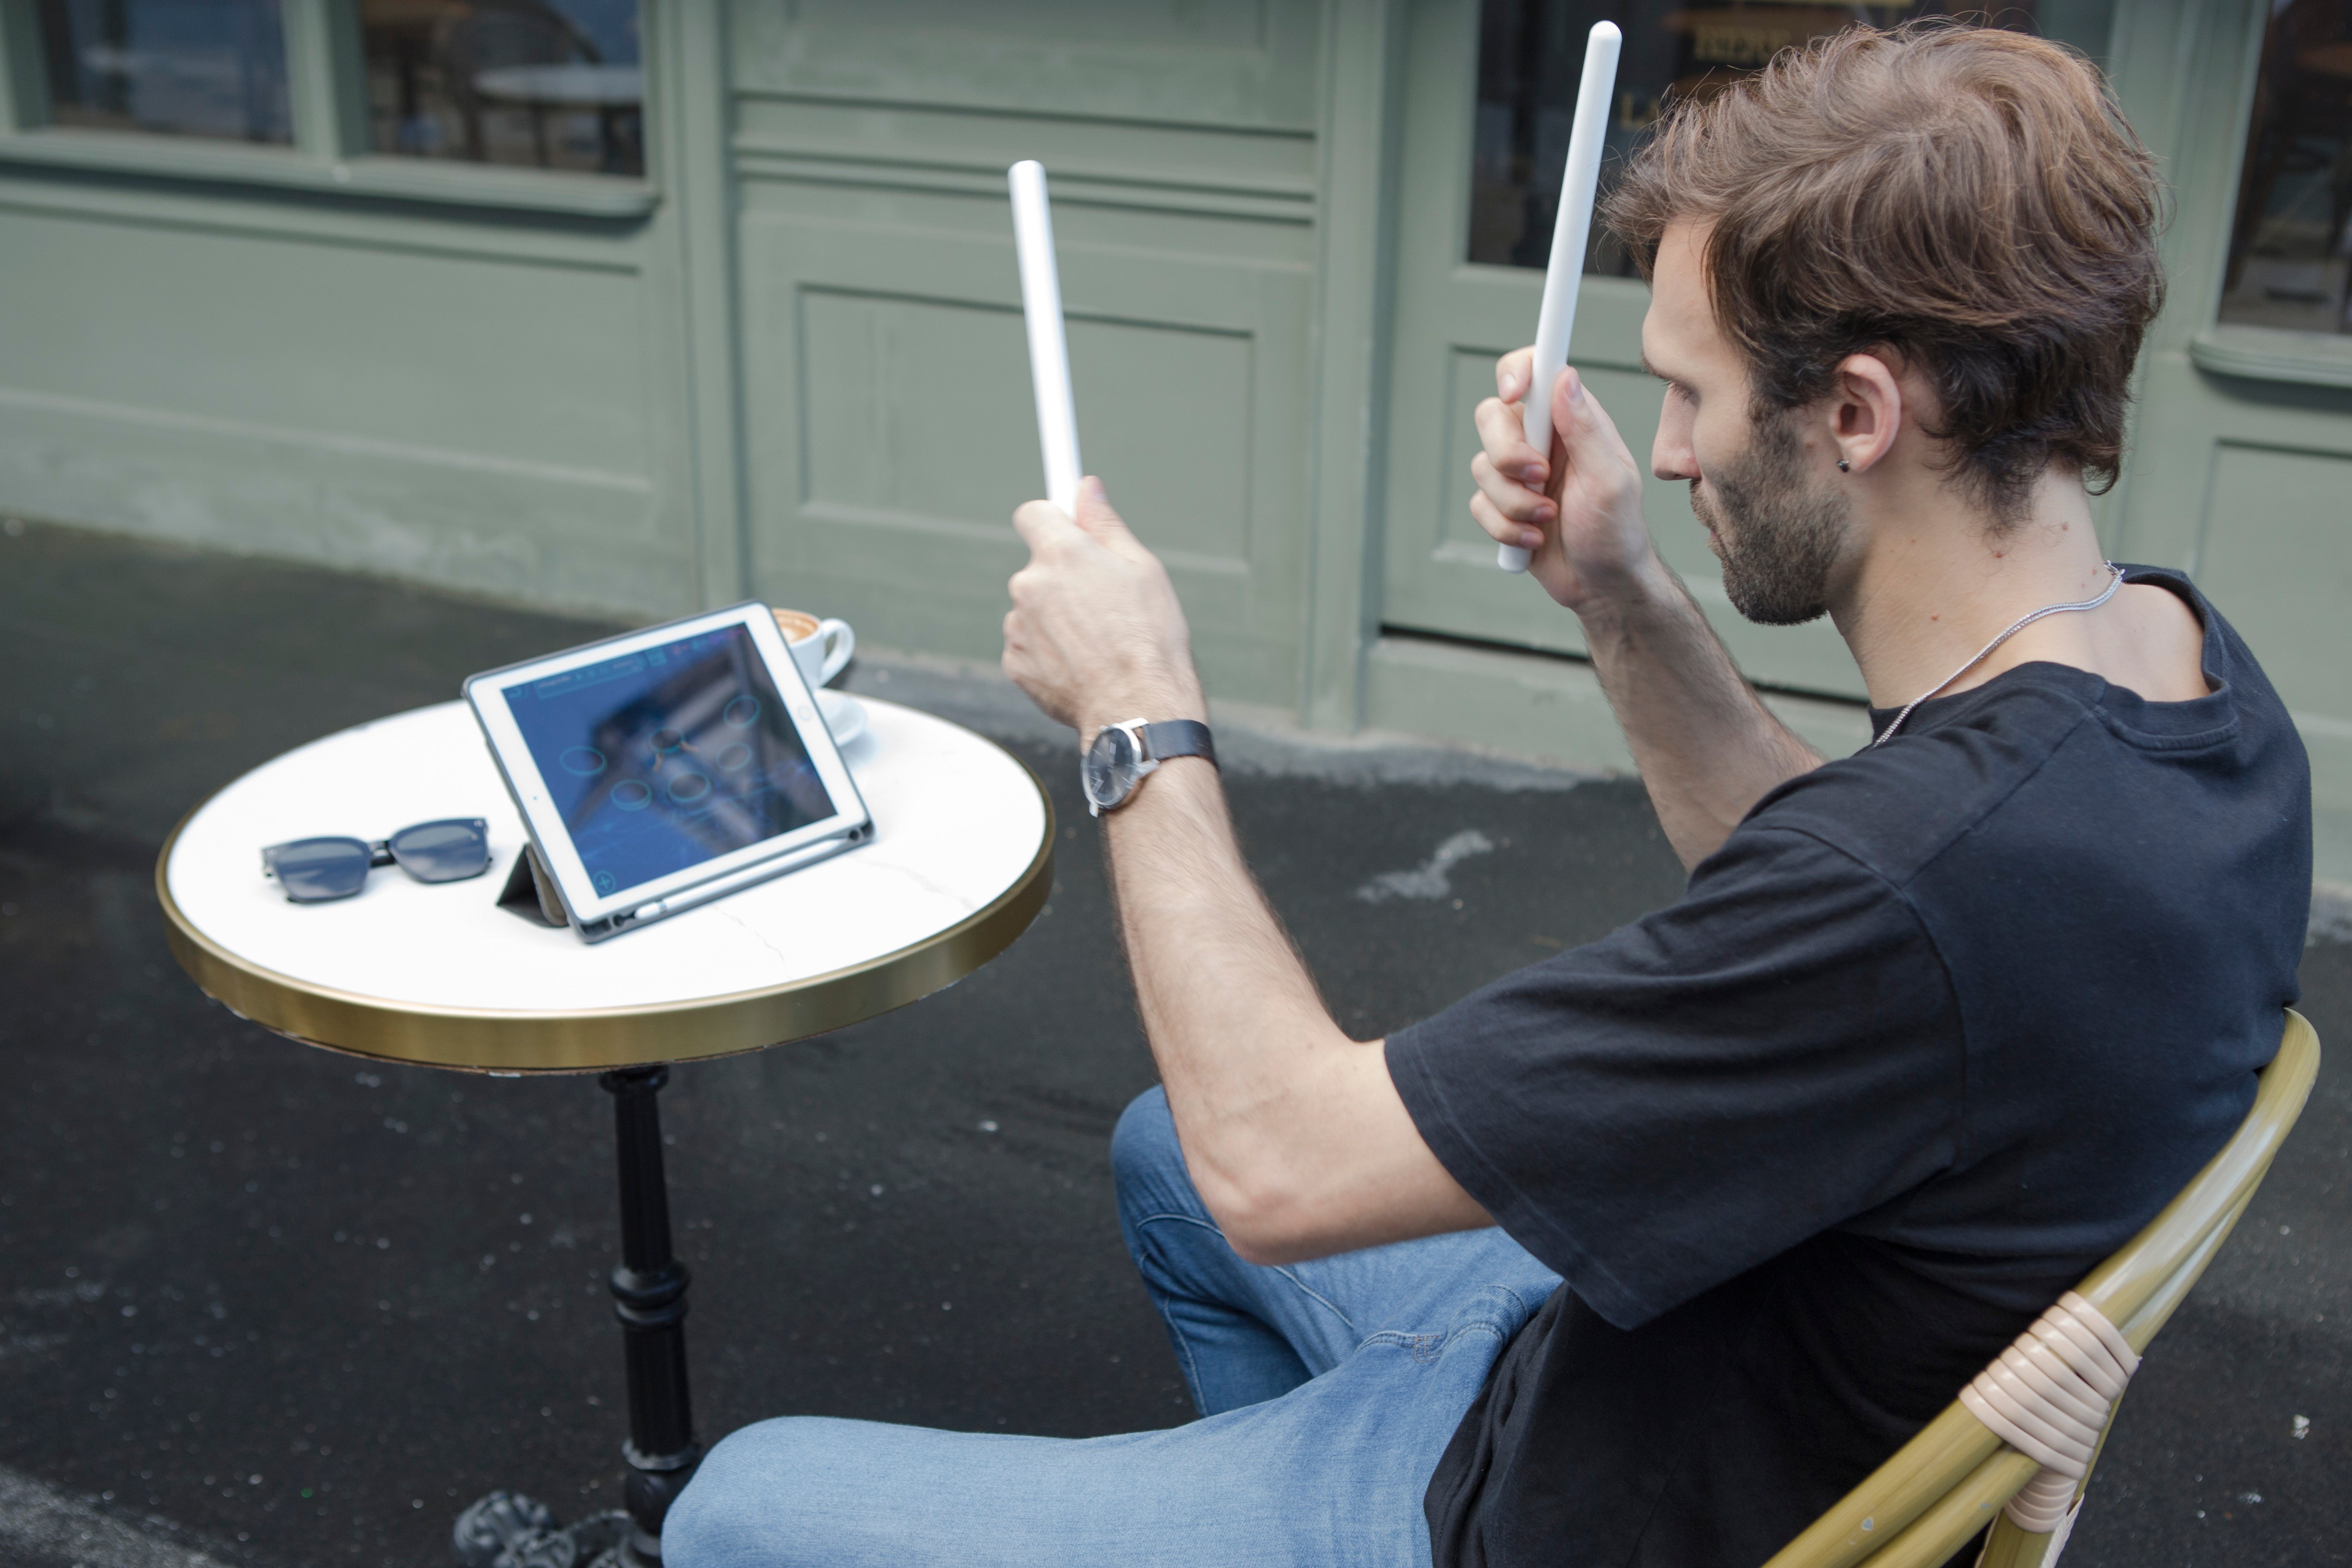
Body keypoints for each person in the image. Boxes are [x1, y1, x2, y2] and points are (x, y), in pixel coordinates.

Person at [664, 22, 2310, 1568]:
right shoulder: (2180, 677)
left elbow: (1279, 1164)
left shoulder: (1911, 895)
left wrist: (1135, 713)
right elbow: (1852, 884)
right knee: (1157, 1145)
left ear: (1858, 412)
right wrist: (1616, 591)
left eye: (1691, 391)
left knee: (735, 1509)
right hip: (1650, 1343)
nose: (1667, 453)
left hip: (1551, 1503)